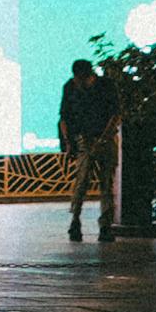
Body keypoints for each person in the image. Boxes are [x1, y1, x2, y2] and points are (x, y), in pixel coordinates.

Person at [58, 56, 120, 241]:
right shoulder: (70, 87)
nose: (78, 83)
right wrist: (69, 143)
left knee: (106, 184)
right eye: (76, 80)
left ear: (89, 75)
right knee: (81, 183)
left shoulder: (106, 86)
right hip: (83, 140)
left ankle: (105, 226)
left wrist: (102, 139)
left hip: (106, 140)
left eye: (81, 80)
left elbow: (115, 114)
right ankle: (75, 222)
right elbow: (64, 117)